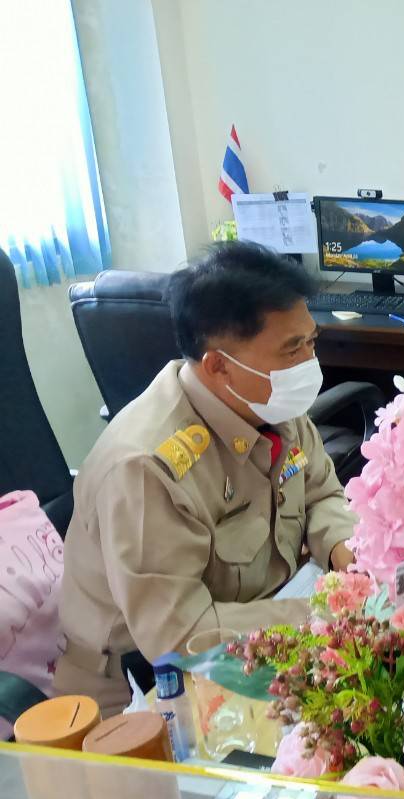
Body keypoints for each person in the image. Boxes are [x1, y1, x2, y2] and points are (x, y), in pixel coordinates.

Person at [56, 242, 356, 712]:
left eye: (310, 341)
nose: (308, 362)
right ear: (218, 365)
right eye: (291, 349)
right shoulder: (146, 469)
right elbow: (179, 634)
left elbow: (321, 492)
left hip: (262, 628)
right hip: (146, 689)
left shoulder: (269, 404)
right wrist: (326, 613)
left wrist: (345, 550)